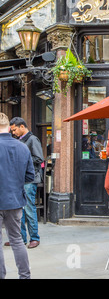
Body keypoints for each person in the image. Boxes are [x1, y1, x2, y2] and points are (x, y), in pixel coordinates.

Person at [0, 113, 34, 279]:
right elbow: (30, 176)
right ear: (8, 127)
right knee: (17, 240)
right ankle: (24, 275)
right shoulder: (22, 147)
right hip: (15, 200)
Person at [9, 117, 44, 249]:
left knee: (29, 208)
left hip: (30, 179)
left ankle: (34, 238)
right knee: (20, 210)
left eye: (14, 129)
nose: (13, 132)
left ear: (22, 127)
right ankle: (21, 239)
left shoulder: (32, 139)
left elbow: (39, 159)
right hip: (20, 179)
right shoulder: (19, 140)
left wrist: (21, 158)